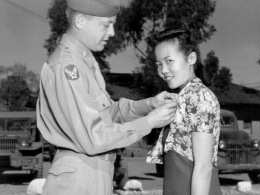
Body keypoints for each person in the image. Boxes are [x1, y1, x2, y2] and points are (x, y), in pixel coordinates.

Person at [36, 0, 178, 195]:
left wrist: (149, 105)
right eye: (106, 24)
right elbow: (94, 137)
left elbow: (107, 114)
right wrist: (149, 122)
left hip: (92, 173)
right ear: (80, 21)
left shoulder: (84, 61)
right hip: (79, 178)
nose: (112, 32)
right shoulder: (68, 67)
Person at [146, 28, 222, 195]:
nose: (163, 70)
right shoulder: (182, 97)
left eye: (169, 61)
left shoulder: (200, 97)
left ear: (191, 58)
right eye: (159, 64)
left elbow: (204, 167)